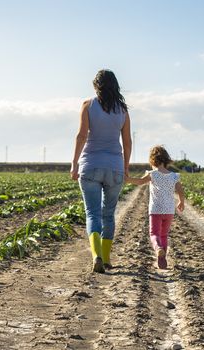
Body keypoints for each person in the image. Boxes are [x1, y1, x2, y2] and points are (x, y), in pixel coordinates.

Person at [70, 69, 132, 273]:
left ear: (96, 86)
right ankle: (106, 258)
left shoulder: (88, 105)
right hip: (114, 167)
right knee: (108, 215)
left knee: (92, 214)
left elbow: (81, 136)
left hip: (90, 166)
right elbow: (127, 142)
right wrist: (125, 167)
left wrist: (74, 162)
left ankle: (95, 255)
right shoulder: (122, 109)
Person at [125, 145, 185, 269]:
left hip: (156, 209)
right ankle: (162, 258)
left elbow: (140, 182)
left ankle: (158, 249)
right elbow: (180, 189)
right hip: (169, 210)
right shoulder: (174, 176)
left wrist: (127, 179)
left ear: (153, 160)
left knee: (154, 234)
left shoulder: (153, 174)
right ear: (166, 160)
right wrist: (181, 202)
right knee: (164, 235)